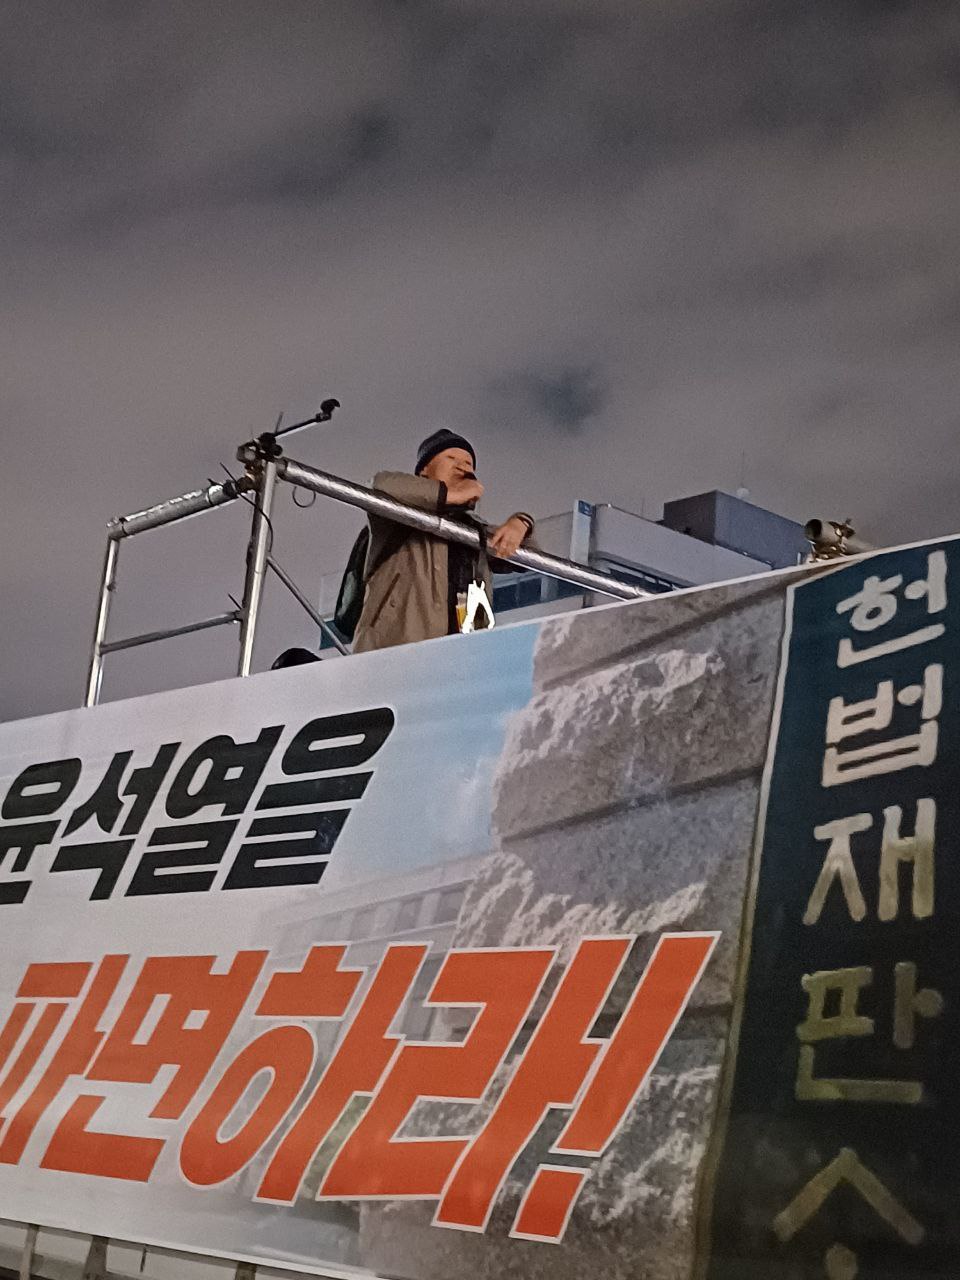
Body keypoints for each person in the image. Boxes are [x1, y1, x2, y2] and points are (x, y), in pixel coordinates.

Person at [352, 429, 536, 653]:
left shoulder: (475, 530)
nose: (462, 467)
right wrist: (450, 494)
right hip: (393, 653)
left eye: (468, 463)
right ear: (424, 469)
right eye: (451, 458)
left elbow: (530, 556)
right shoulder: (398, 515)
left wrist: (521, 523)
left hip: (461, 659)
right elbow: (379, 485)